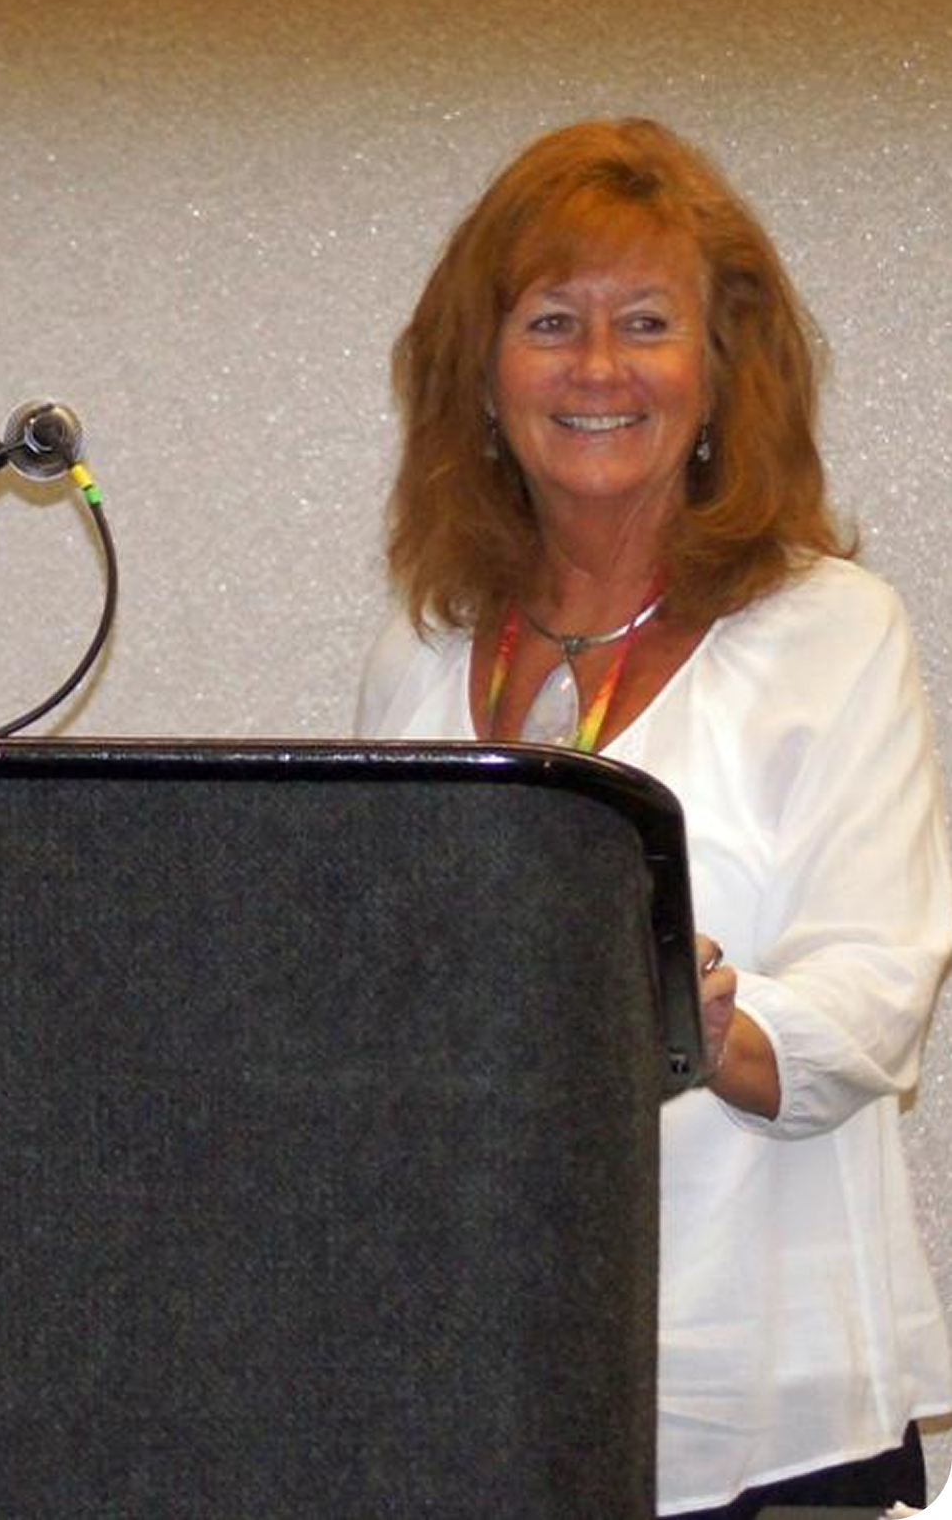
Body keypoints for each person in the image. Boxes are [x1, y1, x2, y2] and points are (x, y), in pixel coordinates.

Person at [355, 117, 951, 1517]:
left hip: (770, 1402)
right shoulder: (422, 652)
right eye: (553, 322)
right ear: (483, 378)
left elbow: (877, 1001)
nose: (600, 369)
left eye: (647, 323)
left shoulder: (834, 632)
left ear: (722, 372)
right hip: (482, 1387)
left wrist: (691, 1015)